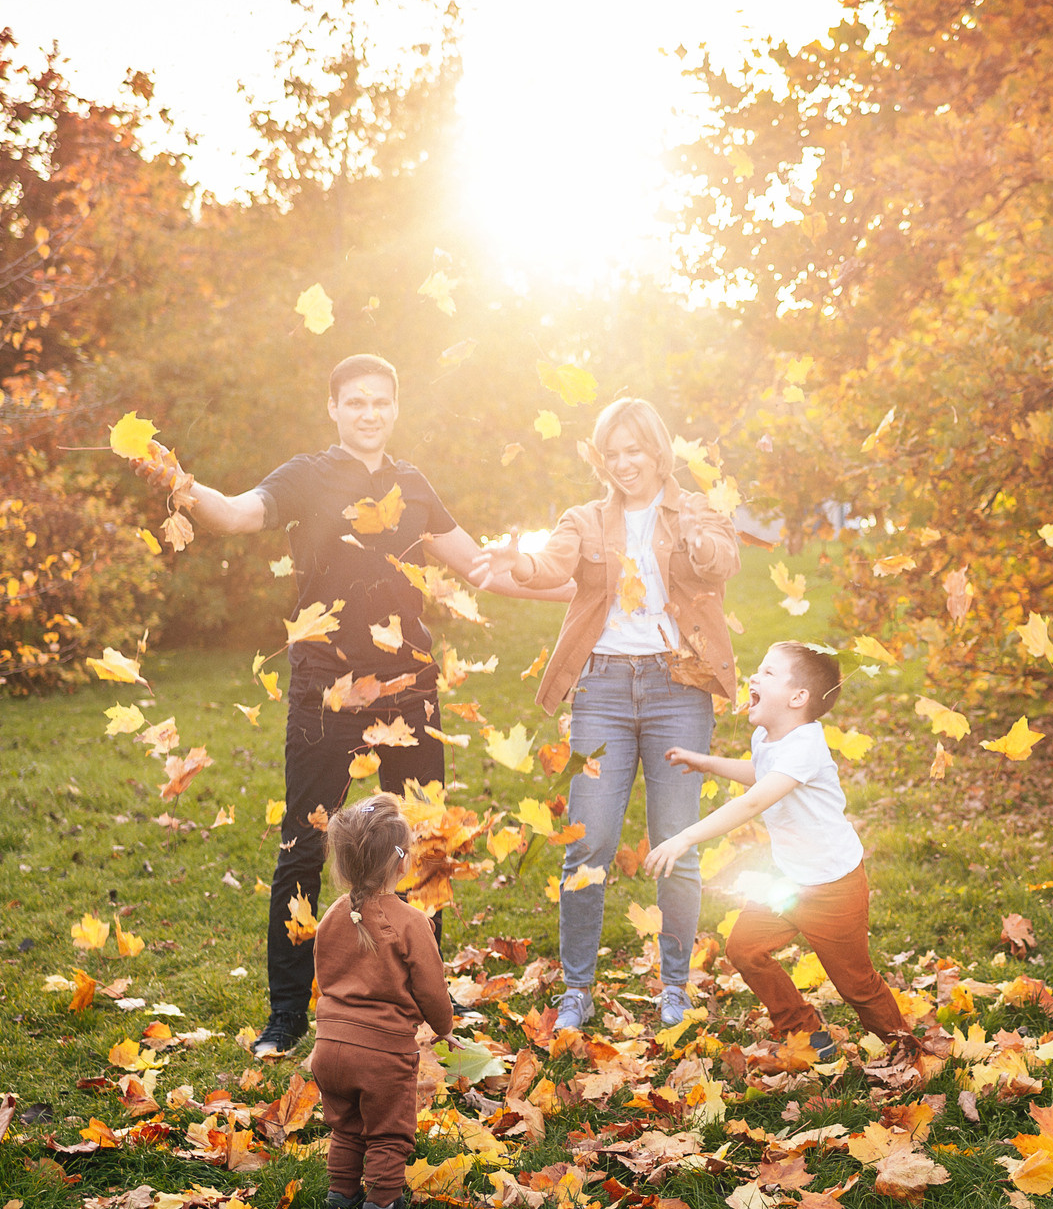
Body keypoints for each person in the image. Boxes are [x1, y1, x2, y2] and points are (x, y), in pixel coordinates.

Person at [143, 352, 557, 1056]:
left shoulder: (413, 484)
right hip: (324, 686)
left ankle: (427, 993)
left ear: (396, 408)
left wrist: (571, 589)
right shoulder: (306, 475)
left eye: (380, 402)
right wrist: (182, 485)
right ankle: (286, 1011)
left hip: (408, 682)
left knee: (423, 839)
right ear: (334, 408)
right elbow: (239, 514)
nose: (369, 412)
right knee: (304, 844)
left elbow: (479, 566)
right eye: (355, 402)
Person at [474, 397, 739, 1031]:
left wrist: (700, 539)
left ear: (658, 451)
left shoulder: (697, 509)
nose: (623, 464)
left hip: (678, 687)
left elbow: (720, 565)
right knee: (586, 845)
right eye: (612, 454)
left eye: (634, 451)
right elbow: (550, 566)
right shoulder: (586, 519)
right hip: (602, 692)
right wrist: (519, 563)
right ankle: (578, 989)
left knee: (678, 844)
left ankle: (674, 985)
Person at [644, 641, 914, 1063]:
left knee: (856, 984)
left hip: (833, 888)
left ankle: (907, 1050)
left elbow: (753, 802)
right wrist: (707, 762)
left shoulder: (805, 746)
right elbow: (761, 775)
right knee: (745, 949)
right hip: (790, 881)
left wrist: (684, 838)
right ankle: (804, 1031)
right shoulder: (767, 737)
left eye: (768, 673)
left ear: (798, 697)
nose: (754, 677)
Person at [307, 794, 451, 1209]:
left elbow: (324, 975)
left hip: (328, 1050)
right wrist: (444, 1028)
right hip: (382, 1056)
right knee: (388, 1135)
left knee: (346, 1128)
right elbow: (432, 989)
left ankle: (341, 1199)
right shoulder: (410, 922)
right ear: (402, 862)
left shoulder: (332, 916)